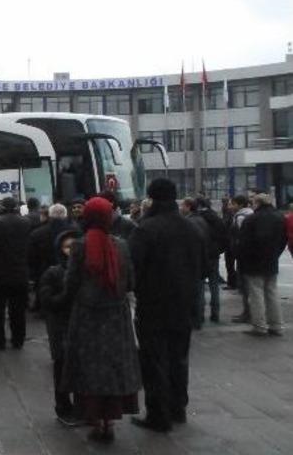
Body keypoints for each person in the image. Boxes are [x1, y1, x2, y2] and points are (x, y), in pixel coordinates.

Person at [60, 197, 140, 442]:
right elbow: (131, 282)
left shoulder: (80, 246)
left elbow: (71, 282)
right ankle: (110, 421)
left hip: (87, 315)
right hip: (117, 315)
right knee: (114, 366)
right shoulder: (122, 246)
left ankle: (95, 421)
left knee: (88, 366)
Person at [129, 178, 204, 433]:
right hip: (184, 303)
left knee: (154, 360)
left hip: (153, 304)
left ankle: (158, 415)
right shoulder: (191, 227)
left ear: (151, 198)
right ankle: (177, 408)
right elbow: (202, 265)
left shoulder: (146, 229)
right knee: (179, 358)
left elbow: (133, 267)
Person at [38, 230, 82, 426]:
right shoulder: (53, 272)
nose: (71, 251)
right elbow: (47, 300)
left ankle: (82, 406)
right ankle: (63, 406)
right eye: (67, 247)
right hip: (60, 325)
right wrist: (66, 296)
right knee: (62, 365)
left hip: (80, 324)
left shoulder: (85, 270)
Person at [0, 197, 31, 350]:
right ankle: (18, 339)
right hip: (20, 272)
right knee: (18, 310)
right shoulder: (26, 223)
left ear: (2, 207)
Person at [238, 193, 287, 337]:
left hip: (254, 262)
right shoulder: (279, 217)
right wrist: (275, 254)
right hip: (271, 260)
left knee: (256, 294)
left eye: (253, 202)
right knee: (272, 293)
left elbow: (244, 243)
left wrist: (242, 259)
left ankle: (259, 325)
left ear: (257, 203)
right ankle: (277, 325)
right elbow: (283, 239)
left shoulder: (251, 219)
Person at [28, 204, 73, 311]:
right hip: (70, 270)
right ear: (65, 215)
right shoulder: (75, 231)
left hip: (43, 271)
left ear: (50, 216)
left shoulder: (37, 233)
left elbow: (31, 256)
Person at [180, 198, 212, 330]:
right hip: (201, 260)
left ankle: (196, 320)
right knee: (199, 292)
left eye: (182, 205)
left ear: (188, 207)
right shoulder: (201, 220)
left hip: (193, 262)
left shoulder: (189, 223)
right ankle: (199, 317)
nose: (180, 208)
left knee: (195, 293)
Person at [195, 197, 228, 323]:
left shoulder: (196, 219)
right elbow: (224, 236)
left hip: (201, 254)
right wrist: (219, 250)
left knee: (200, 284)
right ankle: (215, 313)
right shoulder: (216, 218)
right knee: (214, 284)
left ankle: (200, 314)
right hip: (214, 254)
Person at [229, 195, 254, 323]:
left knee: (245, 287)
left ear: (239, 205)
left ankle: (248, 313)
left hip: (243, 257)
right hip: (249, 256)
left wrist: (237, 249)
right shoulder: (251, 214)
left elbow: (241, 237)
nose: (230, 206)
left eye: (232, 204)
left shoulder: (241, 217)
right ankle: (248, 312)